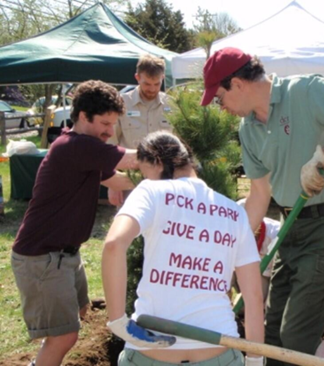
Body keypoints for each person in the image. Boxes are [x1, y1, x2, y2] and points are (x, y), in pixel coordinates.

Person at [200, 47, 324, 360]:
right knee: (272, 332)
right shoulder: (248, 130)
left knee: (295, 338)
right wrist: (230, 250)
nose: (222, 108)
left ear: (236, 84)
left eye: (219, 98)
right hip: (288, 231)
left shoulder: (303, 92)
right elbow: (259, 197)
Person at [102, 131, 265, 366]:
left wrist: (118, 321)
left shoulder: (151, 191)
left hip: (150, 356)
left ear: (157, 161)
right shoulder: (234, 212)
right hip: (217, 354)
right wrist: (255, 359)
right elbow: (253, 296)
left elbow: (114, 244)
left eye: (143, 171)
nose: (143, 178)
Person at [11, 80, 140, 366]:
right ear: (83, 116)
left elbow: (116, 178)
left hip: (65, 254)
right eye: (105, 123)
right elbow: (134, 161)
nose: (110, 131)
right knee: (64, 337)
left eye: (113, 124)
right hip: (42, 257)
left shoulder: (86, 148)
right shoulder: (77, 145)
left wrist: (152, 183)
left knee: (81, 310)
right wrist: (175, 160)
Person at [108, 54, 173, 206]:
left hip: (164, 182)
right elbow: (111, 144)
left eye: (157, 84)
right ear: (137, 77)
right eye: (147, 84)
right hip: (129, 181)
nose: (152, 89)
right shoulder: (122, 103)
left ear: (162, 77)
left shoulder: (172, 105)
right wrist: (113, 182)